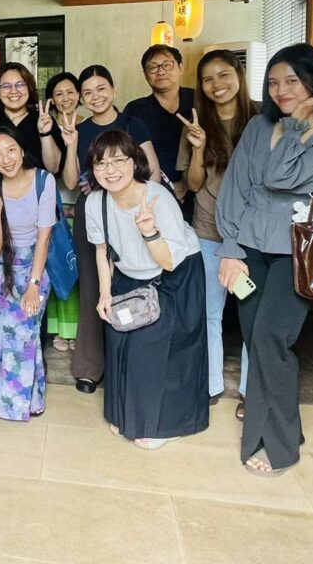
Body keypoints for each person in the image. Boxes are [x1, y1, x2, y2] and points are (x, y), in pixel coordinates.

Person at [216, 44, 313, 477]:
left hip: (297, 253)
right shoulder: (259, 126)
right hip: (250, 250)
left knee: (271, 340)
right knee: (255, 339)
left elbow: (280, 177)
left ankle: (278, 446)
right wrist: (230, 248)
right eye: (274, 82)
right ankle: (279, 431)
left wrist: (296, 127)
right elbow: (236, 186)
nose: (281, 90)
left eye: (292, 81)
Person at [86, 130, 208, 449]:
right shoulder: (95, 202)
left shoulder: (158, 198)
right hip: (130, 272)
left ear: (134, 161)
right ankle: (127, 415)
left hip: (174, 275)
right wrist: (105, 294)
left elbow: (168, 261)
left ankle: (165, 425)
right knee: (119, 336)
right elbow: (102, 250)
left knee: (153, 343)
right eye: (101, 163)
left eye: (118, 161)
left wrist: (149, 231)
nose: (110, 170)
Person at [61, 64, 159, 396]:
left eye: (101, 88)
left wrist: (127, 195)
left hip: (133, 212)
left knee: (129, 282)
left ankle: (127, 362)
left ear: (114, 90)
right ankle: (89, 366)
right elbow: (71, 182)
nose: (95, 96)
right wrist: (71, 145)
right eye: (87, 92)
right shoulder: (79, 129)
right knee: (92, 285)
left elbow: (152, 172)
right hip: (92, 213)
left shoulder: (133, 124)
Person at [176, 49, 257, 415]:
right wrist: (198, 148)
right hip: (208, 230)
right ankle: (210, 385)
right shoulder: (196, 124)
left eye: (224, 75)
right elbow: (193, 185)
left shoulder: (262, 119)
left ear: (239, 75)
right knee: (209, 312)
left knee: (253, 315)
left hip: (253, 235)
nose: (216, 84)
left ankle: (251, 391)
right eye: (207, 79)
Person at [0, 125, 54, 421]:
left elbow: (44, 238)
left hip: (34, 267)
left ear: (22, 150)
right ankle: (8, 399)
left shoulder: (43, 180)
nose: (5, 159)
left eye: (10, 150)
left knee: (27, 333)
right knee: (1, 335)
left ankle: (27, 398)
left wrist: (33, 284)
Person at [124, 45, 195, 210]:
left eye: (166, 65)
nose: (160, 71)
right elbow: (126, 153)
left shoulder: (199, 101)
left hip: (198, 193)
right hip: (150, 194)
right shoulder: (135, 110)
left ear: (180, 68)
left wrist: (185, 184)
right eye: (153, 67)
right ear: (145, 74)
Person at [0, 62, 62, 174]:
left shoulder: (44, 120)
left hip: (35, 185)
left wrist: (45, 134)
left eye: (20, 85)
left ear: (29, 89)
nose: (13, 91)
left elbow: (54, 168)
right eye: (6, 86)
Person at [44, 72, 82, 352]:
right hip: (56, 208)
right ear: (51, 100)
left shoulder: (89, 124)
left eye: (70, 92)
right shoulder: (46, 126)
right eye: (59, 93)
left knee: (78, 271)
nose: (65, 98)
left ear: (79, 95)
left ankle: (78, 329)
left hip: (83, 207)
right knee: (58, 266)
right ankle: (60, 329)